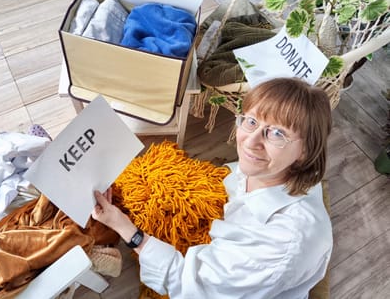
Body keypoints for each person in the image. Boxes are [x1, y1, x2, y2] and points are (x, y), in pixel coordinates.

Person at [92, 77, 333, 299]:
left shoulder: (283, 243)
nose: (250, 141)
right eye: (251, 121)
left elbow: (189, 284)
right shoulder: (276, 169)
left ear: (306, 151)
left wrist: (127, 230)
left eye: (277, 134)